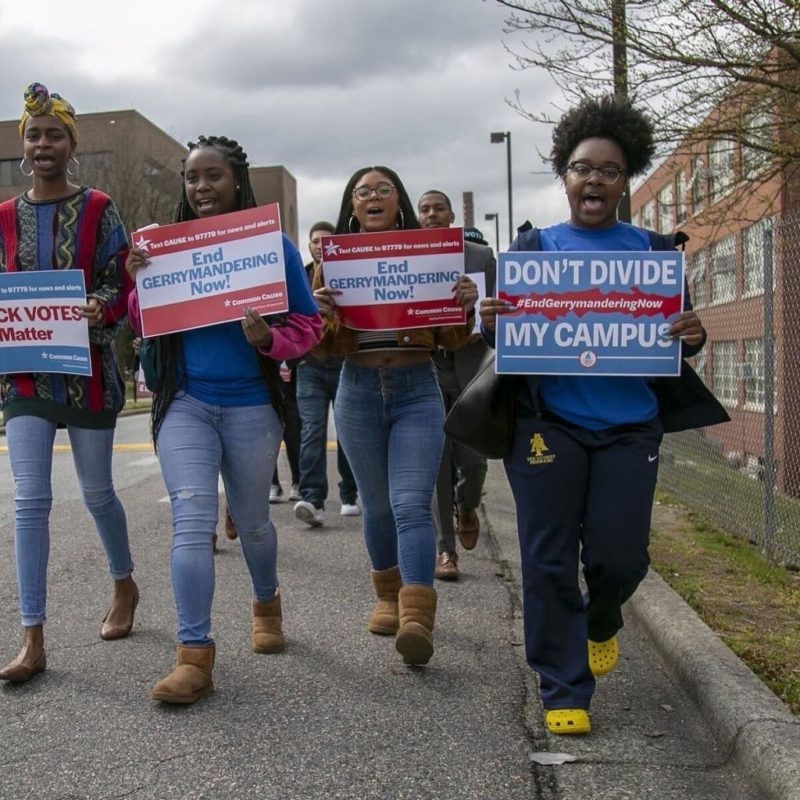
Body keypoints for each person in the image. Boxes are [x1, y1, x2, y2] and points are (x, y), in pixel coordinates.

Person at [480, 95, 728, 734]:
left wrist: (693, 334)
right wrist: (491, 326)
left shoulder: (651, 252)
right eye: (582, 167)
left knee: (620, 558)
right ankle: (563, 686)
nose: (595, 179)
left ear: (627, 179)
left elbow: (678, 334)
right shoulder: (533, 249)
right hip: (548, 424)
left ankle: (603, 615)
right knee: (548, 558)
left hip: (628, 426)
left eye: (610, 170)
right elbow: (513, 343)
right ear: (565, 174)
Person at [126, 135, 321, 704]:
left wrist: (270, 338)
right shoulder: (162, 250)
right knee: (192, 518)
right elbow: (146, 326)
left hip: (252, 405)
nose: (202, 187)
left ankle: (266, 601)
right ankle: (194, 655)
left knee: (255, 522)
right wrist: (140, 283)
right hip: (185, 400)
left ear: (237, 181)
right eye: (192, 178)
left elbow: (308, 328)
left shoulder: (274, 247)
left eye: (213, 176)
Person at [0, 83, 138, 683]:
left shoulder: (101, 207)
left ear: (70, 142)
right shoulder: (4, 217)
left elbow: (123, 283)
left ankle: (124, 582)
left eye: (53, 133)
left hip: (88, 375)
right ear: (23, 145)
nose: (43, 143)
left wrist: (100, 307)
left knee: (97, 492)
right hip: (25, 374)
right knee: (31, 500)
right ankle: (33, 637)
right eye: (34, 134)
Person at [313, 167, 477, 666]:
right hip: (358, 390)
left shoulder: (427, 255)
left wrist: (463, 307)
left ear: (398, 200)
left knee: (410, 503)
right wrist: (319, 313)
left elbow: (450, 339)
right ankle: (387, 594)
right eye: (364, 192)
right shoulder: (332, 262)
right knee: (378, 506)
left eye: (384, 189)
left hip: (416, 390)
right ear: (353, 206)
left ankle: (416, 616)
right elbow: (319, 349)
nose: (374, 197)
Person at [417, 192, 496, 580]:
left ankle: (468, 504)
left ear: (451, 216)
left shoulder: (481, 257)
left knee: (473, 462)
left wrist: (482, 317)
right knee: (436, 466)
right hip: (427, 371)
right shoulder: (408, 257)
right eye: (424, 209)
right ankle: (444, 551)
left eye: (438, 208)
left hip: (469, 367)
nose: (431, 214)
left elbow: (498, 306)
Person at [293, 221, 360, 528]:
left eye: (326, 241)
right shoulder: (301, 278)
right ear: (309, 246)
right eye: (315, 241)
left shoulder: (350, 274)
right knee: (312, 429)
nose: (320, 245)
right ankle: (312, 499)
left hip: (344, 361)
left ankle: (349, 494)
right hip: (310, 363)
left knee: (348, 431)